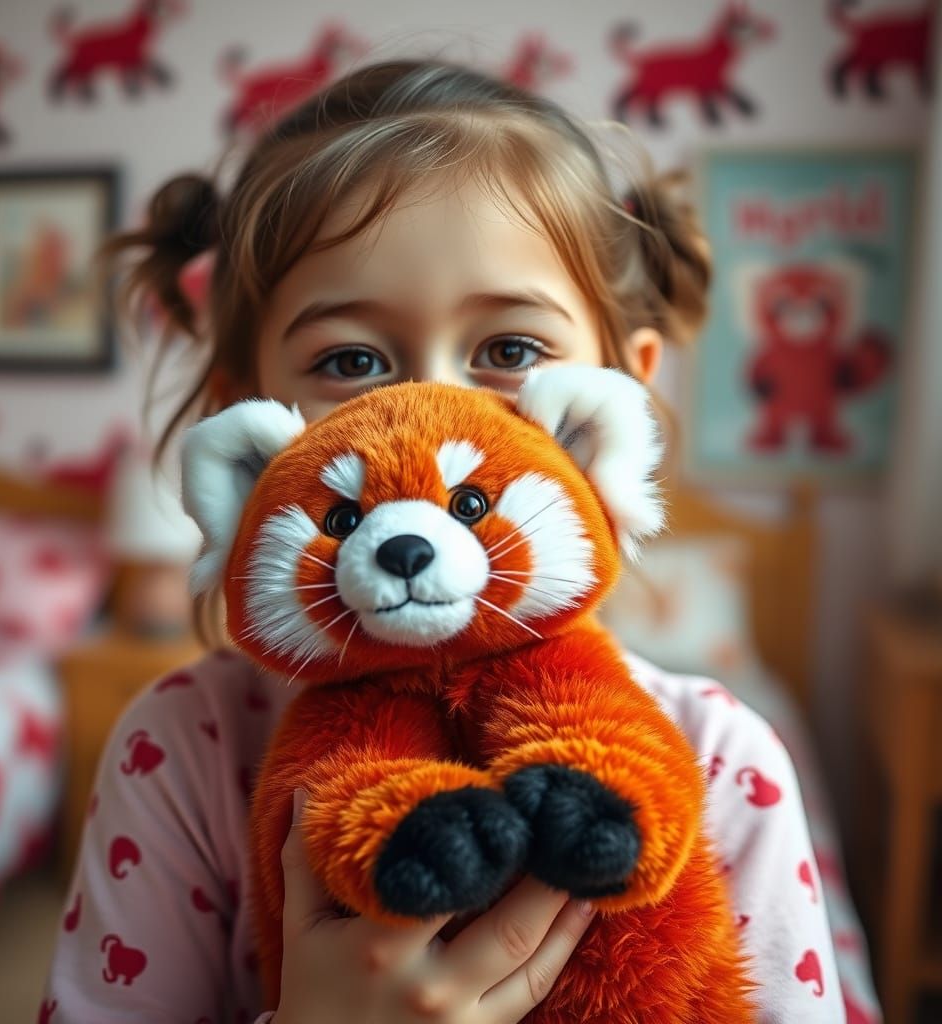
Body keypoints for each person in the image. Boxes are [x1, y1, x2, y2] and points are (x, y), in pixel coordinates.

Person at [41, 59, 846, 1023]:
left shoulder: (718, 756)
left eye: (509, 351)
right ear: (249, 427)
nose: (431, 411)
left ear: (614, 405)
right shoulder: (180, 750)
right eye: (350, 361)